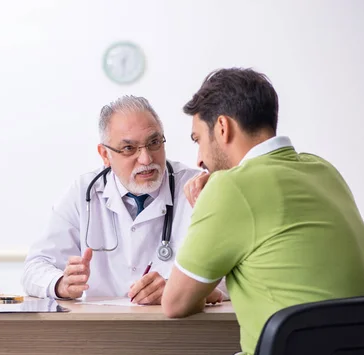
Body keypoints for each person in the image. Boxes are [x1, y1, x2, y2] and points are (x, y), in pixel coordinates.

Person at [89, 68, 364, 355]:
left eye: (198, 139)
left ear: (222, 127)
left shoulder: (231, 186)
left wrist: (207, 208)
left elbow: (175, 303)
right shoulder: (323, 170)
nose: (199, 158)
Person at [21, 95, 227, 304]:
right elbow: (34, 268)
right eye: (129, 148)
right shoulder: (84, 193)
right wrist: (60, 284)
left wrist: (180, 289)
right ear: (105, 155)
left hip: (179, 330)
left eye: (154, 142)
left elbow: (232, 278)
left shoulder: (198, 187)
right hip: (104, 331)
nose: (146, 159)